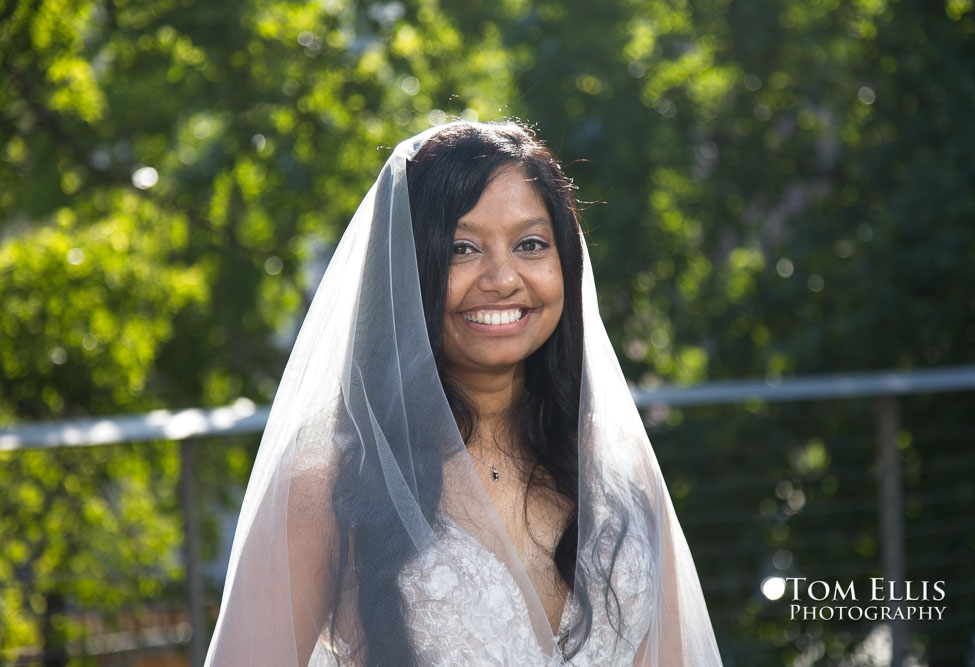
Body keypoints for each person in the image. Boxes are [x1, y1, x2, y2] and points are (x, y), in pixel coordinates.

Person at [205, 121, 722, 666]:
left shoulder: (614, 462)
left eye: (530, 244)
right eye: (462, 248)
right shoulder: (326, 486)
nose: (502, 278)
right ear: (405, 272)